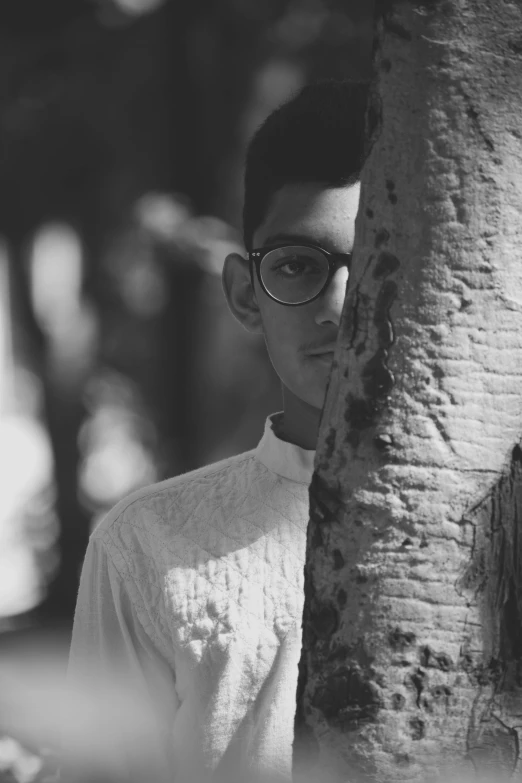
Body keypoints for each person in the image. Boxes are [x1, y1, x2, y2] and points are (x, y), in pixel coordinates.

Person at [66, 80, 367, 783]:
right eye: (298, 265)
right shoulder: (146, 542)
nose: (338, 305)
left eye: (382, 258)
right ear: (243, 292)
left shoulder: (502, 526)